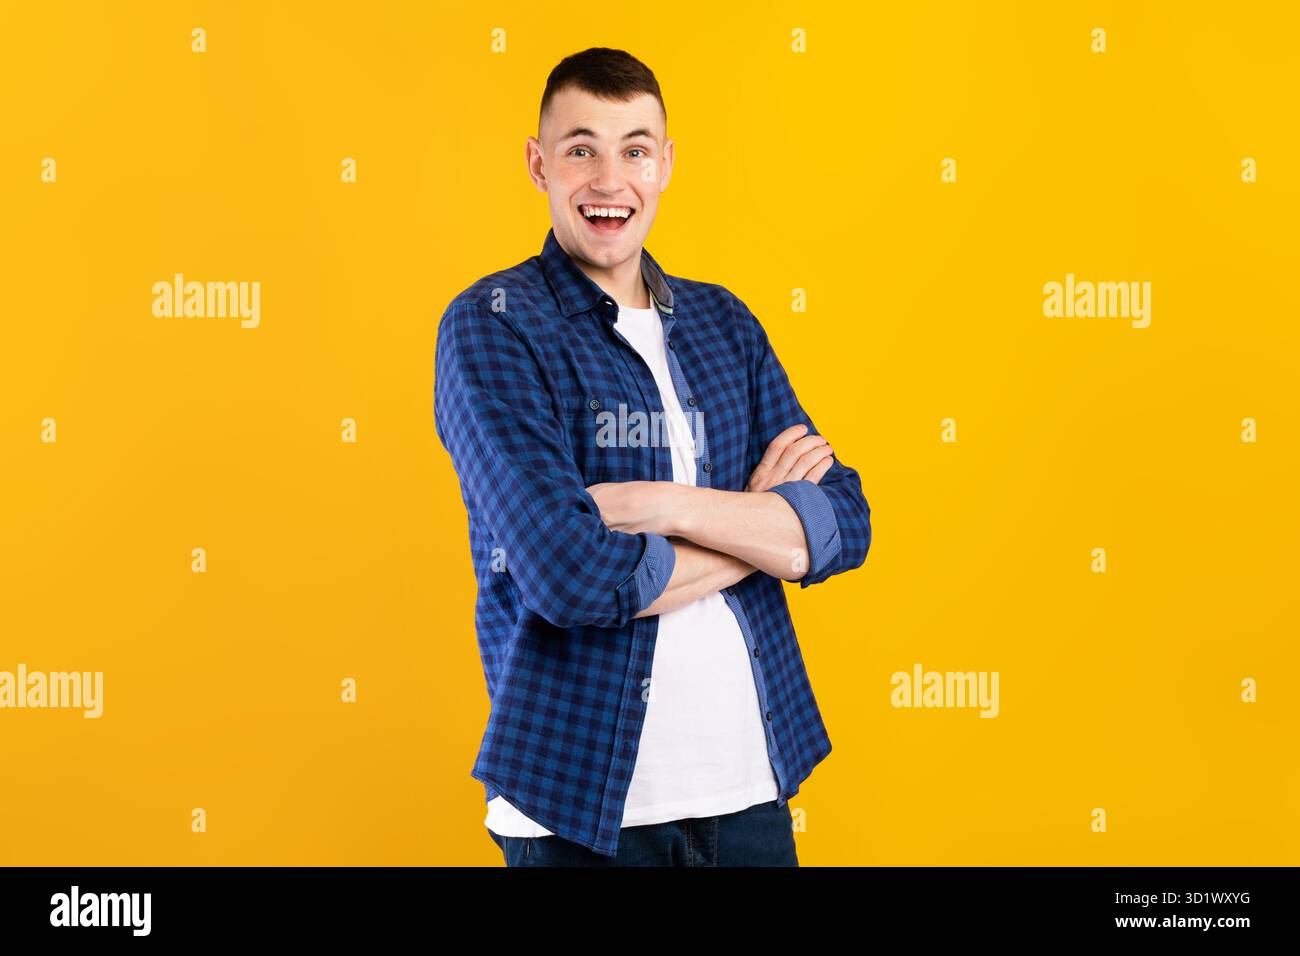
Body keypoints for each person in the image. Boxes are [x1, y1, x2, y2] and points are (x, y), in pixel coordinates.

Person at [434, 47, 872, 866]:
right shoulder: (492, 323)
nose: (610, 179)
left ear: (664, 165)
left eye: (634, 149)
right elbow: (568, 574)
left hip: (750, 791)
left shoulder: (724, 324)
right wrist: (760, 533)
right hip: (578, 806)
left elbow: (843, 522)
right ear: (539, 164)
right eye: (580, 149)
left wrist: (657, 505)